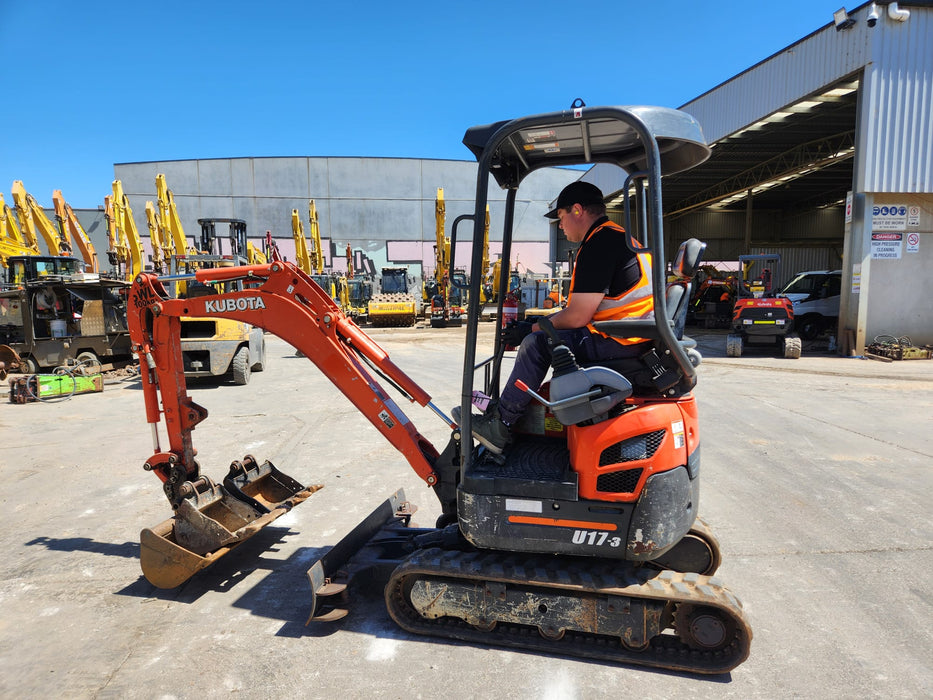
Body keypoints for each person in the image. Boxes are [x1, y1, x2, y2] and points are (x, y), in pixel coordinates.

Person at [469, 181, 654, 454]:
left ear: (577, 210)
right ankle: (507, 409)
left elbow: (578, 317)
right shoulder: (620, 238)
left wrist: (531, 328)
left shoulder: (600, 243)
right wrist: (536, 323)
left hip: (618, 340)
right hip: (630, 334)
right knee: (541, 334)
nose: (561, 225)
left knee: (536, 344)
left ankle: (501, 425)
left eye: (561, 217)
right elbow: (582, 309)